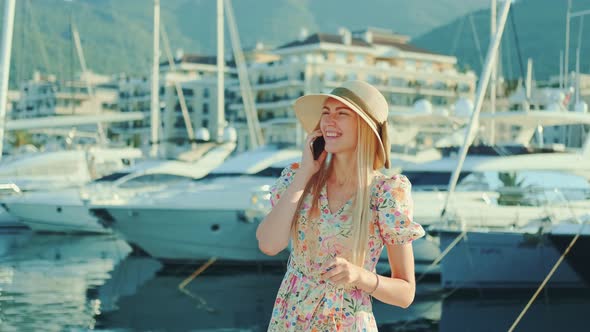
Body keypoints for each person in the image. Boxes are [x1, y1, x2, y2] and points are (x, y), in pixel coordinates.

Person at [256, 80, 425, 331]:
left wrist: (359, 276)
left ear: (365, 128)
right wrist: (305, 173)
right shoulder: (299, 178)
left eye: (341, 113)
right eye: (326, 113)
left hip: (346, 323)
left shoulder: (385, 194)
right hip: (289, 320)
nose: (328, 121)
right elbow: (269, 245)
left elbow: (405, 293)